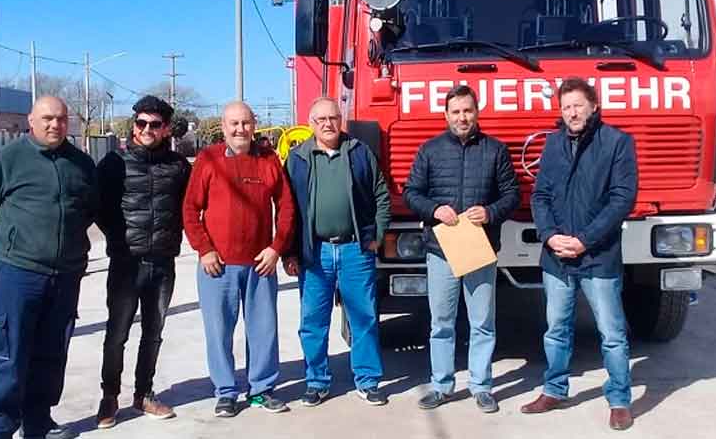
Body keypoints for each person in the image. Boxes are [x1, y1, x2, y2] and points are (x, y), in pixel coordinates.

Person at [0, 96, 99, 439]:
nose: (55, 125)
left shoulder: (81, 164)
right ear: (31, 120)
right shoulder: (7, 159)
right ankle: (0, 427)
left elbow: (88, 210)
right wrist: (1, 244)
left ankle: (38, 422)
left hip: (65, 275)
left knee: (52, 353)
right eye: (48, 118)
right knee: (11, 352)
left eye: (61, 119)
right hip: (18, 273)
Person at [521, 76, 638, 431]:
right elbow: (540, 195)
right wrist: (549, 236)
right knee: (556, 329)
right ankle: (555, 389)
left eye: (578, 106)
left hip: (598, 257)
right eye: (566, 107)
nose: (572, 113)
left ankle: (619, 399)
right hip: (557, 257)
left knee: (612, 332)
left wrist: (585, 240)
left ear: (594, 106)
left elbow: (622, 199)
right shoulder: (554, 143)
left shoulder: (617, 143)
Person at [403, 85, 519, 414]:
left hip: (480, 248)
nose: (462, 117)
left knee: (483, 321)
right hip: (441, 250)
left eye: (467, 110)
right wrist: (434, 210)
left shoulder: (496, 151)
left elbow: (512, 195)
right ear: (446, 115)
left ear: (477, 112)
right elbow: (412, 193)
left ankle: (481, 386)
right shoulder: (430, 150)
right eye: (455, 112)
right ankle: (442, 385)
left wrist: (491, 213)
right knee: (441, 321)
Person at [183, 101, 295, 417]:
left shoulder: (269, 159)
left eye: (245, 123)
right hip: (217, 265)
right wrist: (204, 249)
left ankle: (261, 389)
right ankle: (226, 392)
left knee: (263, 330)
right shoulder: (208, 160)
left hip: (261, 263)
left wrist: (276, 247)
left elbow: (286, 207)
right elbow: (191, 209)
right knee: (219, 332)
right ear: (223, 126)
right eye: (234, 124)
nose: (240, 129)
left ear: (254, 124)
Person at [284, 97, 391, 407]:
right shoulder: (297, 158)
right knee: (313, 322)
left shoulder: (359, 153)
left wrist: (377, 234)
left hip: (355, 250)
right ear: (310, 123)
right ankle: (316, 382)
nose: (328, 124)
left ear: (340, 119)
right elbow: (288, 209)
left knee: (364, 318)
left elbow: (381, 195)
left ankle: (368, 381)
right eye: (321, 120)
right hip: (315, 253)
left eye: (333, 117)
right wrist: (291, 251)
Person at [94, 95, 191, 429]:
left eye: (154, 124)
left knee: (153, 332)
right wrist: (118, 241)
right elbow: (100, 208)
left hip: (163, 262)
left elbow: (189, 208)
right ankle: (109, 396)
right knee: (117, 333)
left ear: (166, 128)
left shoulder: (179, 166)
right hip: (126, 263)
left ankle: (144, 393)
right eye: (141, 123)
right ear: (133, 125)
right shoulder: (113, 164)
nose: (147, 129)